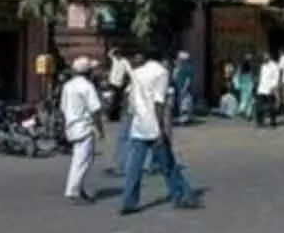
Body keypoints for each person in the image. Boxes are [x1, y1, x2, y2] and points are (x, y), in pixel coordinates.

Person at [120, 49, 202, 215]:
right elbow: (159, 103)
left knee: (134, 166)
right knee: (168, 164)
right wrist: (161, 128)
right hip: (153, 125)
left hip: (138, 124)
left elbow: (129, 98)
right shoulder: (161, 73)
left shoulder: (137, 72)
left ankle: (129, 201)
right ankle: (180, 195)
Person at [60, 56, 105, 205]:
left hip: (71, 125)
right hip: (84, 126)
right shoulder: (87, 86)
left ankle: (79, 188)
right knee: (82, 161)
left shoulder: (68, 86)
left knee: (80, 159)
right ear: (88, 72)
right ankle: (73, 191)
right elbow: (95, 110)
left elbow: (63, 108)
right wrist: (100, 129)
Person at [106, 48, 135, 176]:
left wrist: (133, 78)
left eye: (117, 54)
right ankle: (112, 115)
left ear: (120, 54)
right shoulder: (114, 59)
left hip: (119, 84)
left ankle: (114, 114)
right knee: (113, 101)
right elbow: (110, 54)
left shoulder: (124, 61)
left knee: (116, 102)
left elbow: (130, 71)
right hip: (112, 82)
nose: (116, 56)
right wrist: (113, 50)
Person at [255, 51, 280, 128]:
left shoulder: (274, 66)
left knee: (271, 107)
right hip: (261, 89)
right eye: (264, 57)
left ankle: (273, 122)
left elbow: (276, 77)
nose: (265, 58)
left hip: (270, 89)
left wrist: (273, 87)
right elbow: (261, 77)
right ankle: (260, 122)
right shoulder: (262, 66)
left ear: (269, 57)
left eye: (266, 56)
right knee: (259, 106)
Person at [172, 51, 194, 125]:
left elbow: (188, 79)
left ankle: (184, 119)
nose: (178, 59)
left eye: (179, 58)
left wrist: (185, 88)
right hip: (178, 88)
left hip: (184, 89)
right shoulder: (178, 67)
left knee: (185, 103)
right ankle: (182, 118)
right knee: (180, 103)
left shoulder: (187, 67)